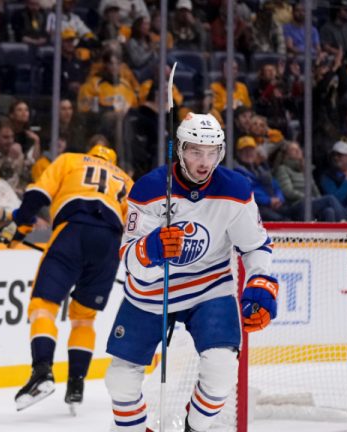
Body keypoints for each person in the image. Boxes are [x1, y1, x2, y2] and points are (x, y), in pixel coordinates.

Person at [105, 113, 278, 432]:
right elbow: (129, 257)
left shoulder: (236, 190)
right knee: (119, 380)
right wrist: (150, 249)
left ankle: (194, 428)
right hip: (151, 293)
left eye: (212, 152)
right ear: (179, 150)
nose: (204, 162)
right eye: (196, 151)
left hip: (210, 288)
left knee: (222, 370)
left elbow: (254, 246)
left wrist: (261, 281)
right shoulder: (149, 189)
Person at [2, 142, 133, 412]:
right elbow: (135, 228)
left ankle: (42, 372)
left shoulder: (71, 160)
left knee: (43, 306)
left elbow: (37, 194)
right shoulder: (126, 180)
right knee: (84, 317)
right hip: (109, 243)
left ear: (91, 153)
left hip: (72, 232)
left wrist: (20, 227)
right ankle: (76, 384)